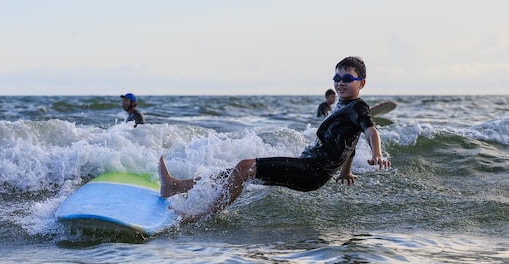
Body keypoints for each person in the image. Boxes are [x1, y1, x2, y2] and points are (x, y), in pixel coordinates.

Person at [158, 56, 391, 214]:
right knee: (236, 172)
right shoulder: (343, 106)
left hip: (313, 170)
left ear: (362, 83)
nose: (340, 83)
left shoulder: (357, 107)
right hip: (312, 169)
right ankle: (178, 187)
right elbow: (351, 140)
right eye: (337, 78)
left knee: (244, 166)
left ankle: (201, 215)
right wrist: (346, 171)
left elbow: (370, 130)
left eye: (347, 79)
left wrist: (377, 154)